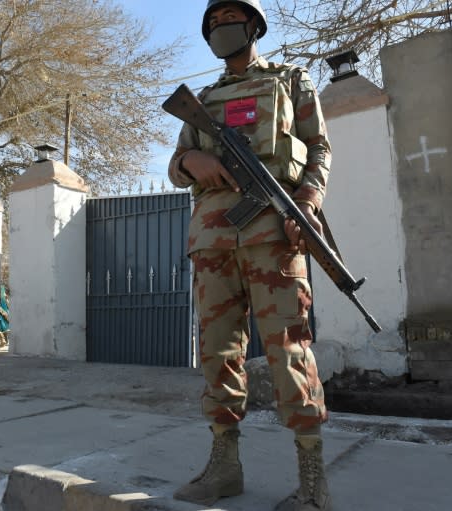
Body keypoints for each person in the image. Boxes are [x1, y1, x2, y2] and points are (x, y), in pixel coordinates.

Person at [167, 1, 332, 509]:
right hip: (213, 241)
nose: (222, 27)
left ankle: (311, 480)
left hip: (274, 237)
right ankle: (224, 467)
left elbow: (319, 148)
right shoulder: (204, 99)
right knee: (218, 352)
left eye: (231, 19)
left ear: (254, 26)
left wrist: (306, 201)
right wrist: (191, 160)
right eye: (214, 23)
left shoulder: (291, 81)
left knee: (289, 350)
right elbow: (175, 168)